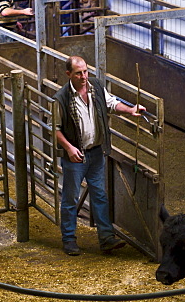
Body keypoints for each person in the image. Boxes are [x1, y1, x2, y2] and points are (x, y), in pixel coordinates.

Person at [54, 55, 143, 255]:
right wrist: (68, 148)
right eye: (78, 73)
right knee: (70, 198)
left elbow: (111, 103)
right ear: (69, 74)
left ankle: (106, 238)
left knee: (100, 196)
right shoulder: (61, 98)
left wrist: (130, 110)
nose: (84, 76)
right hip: (76, 156)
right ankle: (69, 240)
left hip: (96, 152)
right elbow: (55, 128)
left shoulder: (96, 86)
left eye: (85, 71)